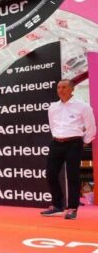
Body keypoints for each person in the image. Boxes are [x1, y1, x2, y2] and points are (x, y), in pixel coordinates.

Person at [41, 79, 96, 220]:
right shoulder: (52, 107)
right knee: (50, 174)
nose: (61, 90)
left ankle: (72, 208)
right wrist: (57, 137)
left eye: (64, 87)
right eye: (59, 87)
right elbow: (52, 125)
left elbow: (91, 127)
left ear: (72, 89)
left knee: (73, 176)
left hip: (74, 143)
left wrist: (85, 141)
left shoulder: (83, 107)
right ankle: (57, 205)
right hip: (56, 142)